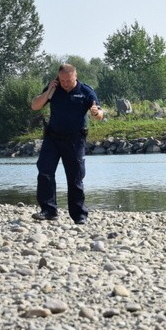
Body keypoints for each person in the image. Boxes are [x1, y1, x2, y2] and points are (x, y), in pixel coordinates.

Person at [30, 63, 103, 224]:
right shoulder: (54, 89)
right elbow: (35, 106)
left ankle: (79, 215)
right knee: (45, 171)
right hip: (53, 138)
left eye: (68, 80)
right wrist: (49, 91)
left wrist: (96, 112)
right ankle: (48, 211)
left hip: (75, 140)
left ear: (75, 77)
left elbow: (99, 114)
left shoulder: (86, 91)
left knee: (75, 177)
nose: (65, 83)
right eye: (62, 80)